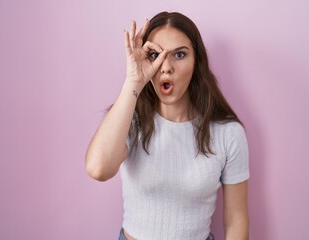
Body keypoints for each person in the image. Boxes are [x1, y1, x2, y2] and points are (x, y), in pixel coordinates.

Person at [85, 11, 250, 240]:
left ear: (196, 62)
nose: (166, 67)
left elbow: (236, 221)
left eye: (179, 54)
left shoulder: (228, 133)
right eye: (154, 55)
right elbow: (98, 168)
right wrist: (133, 81)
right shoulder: (129, 122)